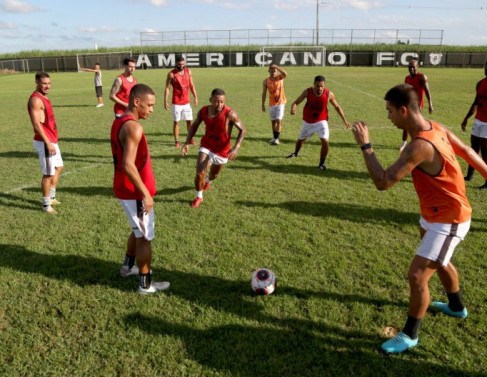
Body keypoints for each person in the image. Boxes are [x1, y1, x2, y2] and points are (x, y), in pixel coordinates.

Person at [351, 83, 487, 354]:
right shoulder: (436, 127)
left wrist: (366, 146)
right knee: (441, 261)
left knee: (417, 276)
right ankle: (457, 307)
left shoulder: (418, 147)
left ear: (403, 110)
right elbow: (469, 153)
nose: (388, 116)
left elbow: (383, 182)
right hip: (434, 216)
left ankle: (410, 334)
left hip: (450, 219)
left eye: (389, 111)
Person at [110, 83, 170, 294]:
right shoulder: (133, 127)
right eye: (150, 105)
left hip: (126, 190)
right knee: (145, 237)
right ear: (137, 102)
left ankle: (127, 268)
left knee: (137, 232)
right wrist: (145, 193)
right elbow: (128, 164)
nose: (152, 110)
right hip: (134, 193)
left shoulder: (119, 120)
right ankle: (145, 284)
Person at [181, 88, 246, 208]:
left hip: (222, 150)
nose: (220, 104)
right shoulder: (204, 111)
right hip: (206, 145)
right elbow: (194, 125)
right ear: (211, 100)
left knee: (214, 175)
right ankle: (199, 197)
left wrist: (236, 148)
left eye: (222, 102)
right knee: (200, 173)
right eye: (216, 101)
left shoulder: (230, 113)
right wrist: (187, 142)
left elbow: (243, 130)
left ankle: (208, 181)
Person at [287, 75, 350, 170]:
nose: (319, 88)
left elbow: (337, 107)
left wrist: (345, 120)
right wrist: (293, 108)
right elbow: (296, 102)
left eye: (321, 86)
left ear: (324, 85)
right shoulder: (307, 92)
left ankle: (321, 163)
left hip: (321, 121)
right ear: (314, 84)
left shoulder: (329, 94)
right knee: (301, 140)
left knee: (325, 141)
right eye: (317, 86)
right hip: (307, 121)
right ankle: (295, 153)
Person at [27, 71, 63, 215]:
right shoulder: (35, 100)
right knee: (48, 174)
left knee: (59, 167)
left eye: (49, 83)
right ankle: (45, 204)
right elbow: (36, 124)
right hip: (45, 141)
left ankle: (52, 196)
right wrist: (48, 143)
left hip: (51, 139)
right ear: (36, 83)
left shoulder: (44, 97)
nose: (47, 86)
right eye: (44, 84)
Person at [461, 61, 487, 189]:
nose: (486, 69)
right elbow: (475, 103)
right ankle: (469, 175)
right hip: (478, 121)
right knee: (473, 149)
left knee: (486, 152)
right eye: (485, 66)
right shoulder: (481, 83)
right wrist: (466, 118)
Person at [164, 55, 198, 148]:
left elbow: (191, 85)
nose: (181, 66)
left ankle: (190, 139)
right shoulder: (171, 74)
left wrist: (195, 97)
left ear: (185, 63)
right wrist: (165, 101)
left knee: (189, 121)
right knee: (176, 122)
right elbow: (167, 88)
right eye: (179, 64)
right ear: (176, 63)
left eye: (183, 64)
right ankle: (176, 141)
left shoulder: (188, 71)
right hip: (176, 103)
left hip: (186, 102)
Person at [400, 58, 434, 151]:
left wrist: (430, 104)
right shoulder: (407, 78)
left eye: (413, 67)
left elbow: (427, 91)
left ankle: (416, 143)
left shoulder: (421, 77)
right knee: (406, 124)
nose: (411, 69)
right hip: (407, 104)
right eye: (410, 67)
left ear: (417, 67)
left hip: (416, 106)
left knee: (414, 124)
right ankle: (404, 143)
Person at [261, 64, 287, 145]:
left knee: (279, 120)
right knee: (273, 121)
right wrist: (262, 104)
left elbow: (285, 73)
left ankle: (277, 139)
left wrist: (277, 67)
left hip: (281, 102)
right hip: (272, 103)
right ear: (269, 71)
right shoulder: (266, 81)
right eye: (271, 71)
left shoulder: (280, 77)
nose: (273, 73)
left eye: (274, 71)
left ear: (277, 71)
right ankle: (274, 137)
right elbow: (264, 93)